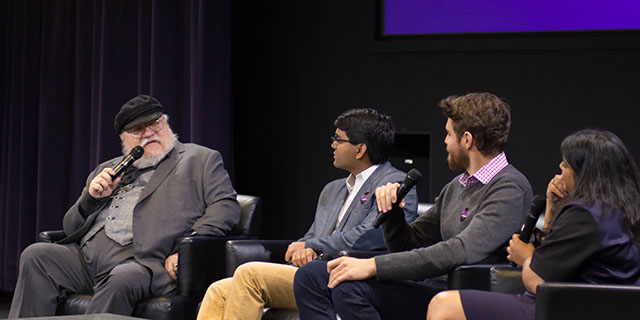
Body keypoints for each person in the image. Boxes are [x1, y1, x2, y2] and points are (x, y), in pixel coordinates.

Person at [293, 92, 534, 320]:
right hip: (430, 286)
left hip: (464, 296)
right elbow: (407, 244)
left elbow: (460, 250)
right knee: (310, 276)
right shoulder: (456, 186)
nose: (445, 142)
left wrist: (373, 266)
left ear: (467, 140)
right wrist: (393, 213)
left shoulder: (509, 187)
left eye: (449, 134)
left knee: (350, 288)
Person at [9, 95, 241, 317]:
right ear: (124, 139)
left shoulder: (199, 159)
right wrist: (91, 199)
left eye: (155, 124)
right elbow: (70, 228)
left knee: (122, 277)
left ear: (166, 122)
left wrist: (185, 249)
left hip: (145, 263)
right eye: (138, 130)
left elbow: (225, 208)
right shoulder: (108, 169)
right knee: (36, 255)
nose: (149, 133)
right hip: (86, 260)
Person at [196, 108, 418, 320]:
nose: (332, 145)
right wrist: (301, 246)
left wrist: (314, 246)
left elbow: (372, 236)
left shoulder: (394, 184)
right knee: (218, 290)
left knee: (249, 274)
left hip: (345, 277)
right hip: (309, 272)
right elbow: (313, 235)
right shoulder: (332, 189)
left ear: (360, 150)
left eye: (338, 140)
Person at [426, 129, 640, 320]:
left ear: (584, 173)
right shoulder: (620, 210)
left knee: (443, 305)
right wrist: (553, 208)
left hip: (567, 308)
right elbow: (557, 255)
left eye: (565, 164)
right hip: (595, 307)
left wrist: (525, 256)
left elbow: (537, 280)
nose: (560, 169)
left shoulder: (585, 213)